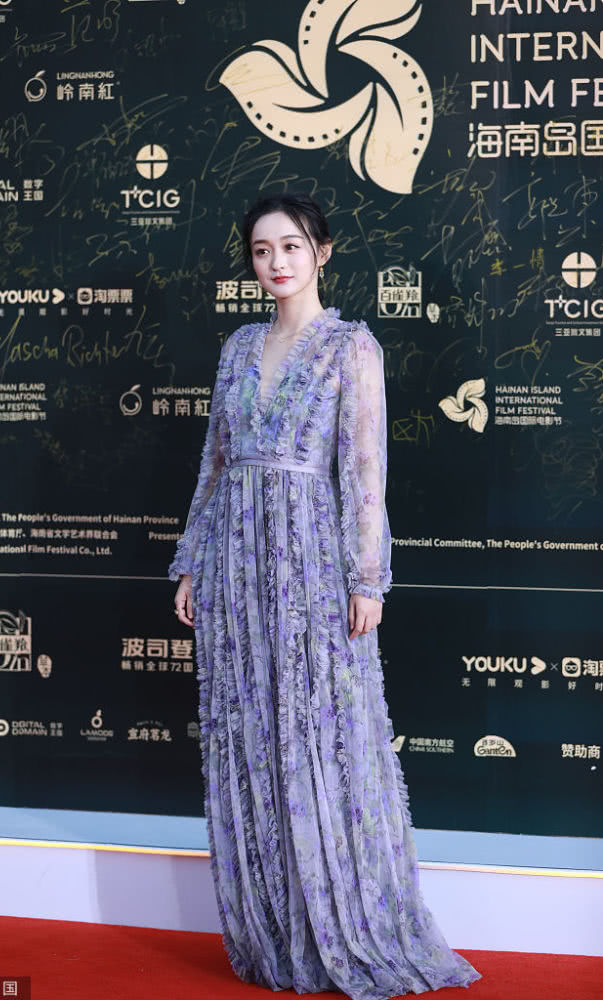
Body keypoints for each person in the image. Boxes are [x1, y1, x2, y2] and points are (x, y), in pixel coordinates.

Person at [169, 192, 482, 999]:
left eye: (291, 246)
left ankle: (343, 925)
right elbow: (214, 462)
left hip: (310, 563)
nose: (275, 262)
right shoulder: (238, 346)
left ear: (322, 252)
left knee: (319, 732)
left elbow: (365, 473)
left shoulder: (350, 346)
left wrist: (365, 579)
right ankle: (273, 931)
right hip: (234, 562)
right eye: (261, 250)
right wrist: (192, 561)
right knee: (251, 732)